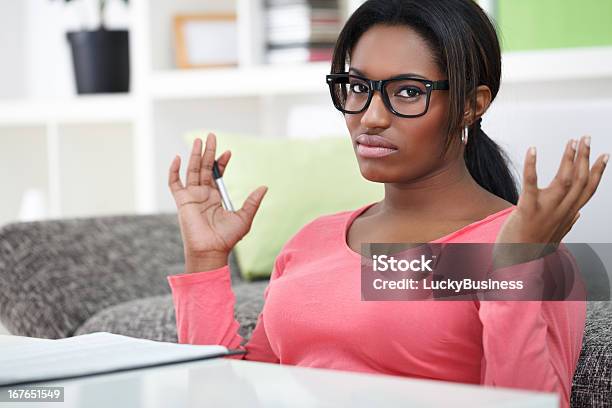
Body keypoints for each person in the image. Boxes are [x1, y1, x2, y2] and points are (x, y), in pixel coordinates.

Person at [165, 1, 609, 406]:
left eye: (409, 92)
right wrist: (206, 261)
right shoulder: (313, 239)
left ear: (472, 105)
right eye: (357, 86)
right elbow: (229, 396)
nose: (370, 117)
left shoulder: (525, 245)